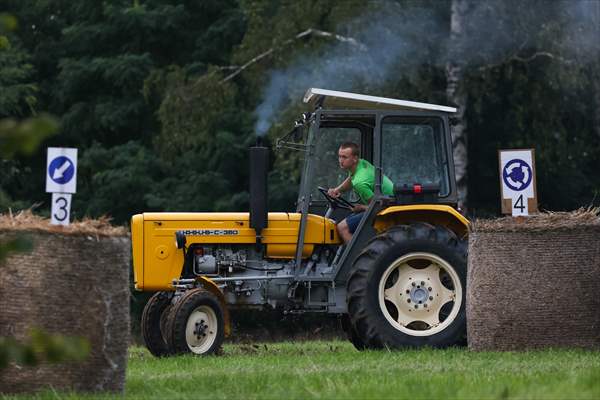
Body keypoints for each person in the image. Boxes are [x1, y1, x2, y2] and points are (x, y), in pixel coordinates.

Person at [328, 142, 394, 243]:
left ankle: (359, 257)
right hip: (384, 203)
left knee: (342, 228)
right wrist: (337, 190)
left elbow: (377, 207)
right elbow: (351, 178)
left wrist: (361, 208)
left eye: (344, 157)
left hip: (387, 208)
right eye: (340, 156)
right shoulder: (360, 164)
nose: (341, 161)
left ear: (354, 158)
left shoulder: (360, 182)